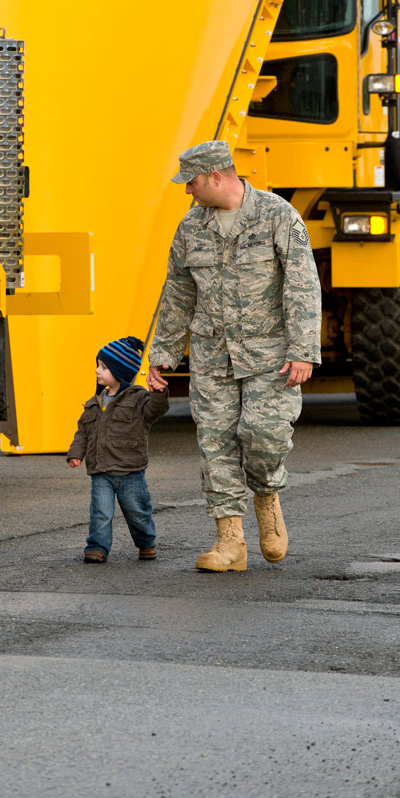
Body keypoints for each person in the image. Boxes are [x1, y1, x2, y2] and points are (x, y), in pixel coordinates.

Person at [147, 140, 321, 572]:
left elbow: (302, 285)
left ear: (215, 176)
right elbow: (179, 291)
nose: (188, 191)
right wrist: (164, 352)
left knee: (264, 436)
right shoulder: (191, 228)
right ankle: (230, 541)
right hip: (212, 353)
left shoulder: (278, 215)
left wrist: (303, 350)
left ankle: (267, 498)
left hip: (270, 353)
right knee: (215, 442)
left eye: (192, 182)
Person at [68, 336, 169, 564]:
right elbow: (83, 430)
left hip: (130, 471)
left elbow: (155, 410)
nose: (97, 371)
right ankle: (97, 547)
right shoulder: (94, 401)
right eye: (98, 365)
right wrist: (76, 453)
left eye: (104, 367)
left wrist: (159, 393)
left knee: (138, 512)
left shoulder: (138, 399)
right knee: (100, 513)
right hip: (101, 471)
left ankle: (146, 543)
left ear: (121, 372)